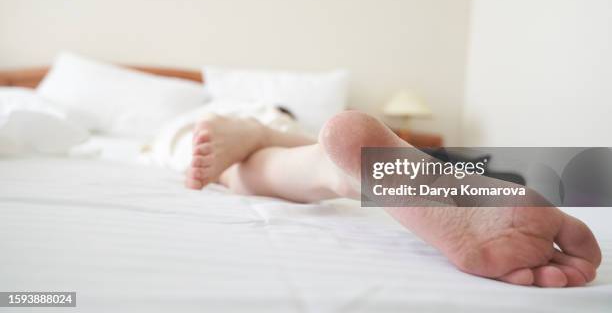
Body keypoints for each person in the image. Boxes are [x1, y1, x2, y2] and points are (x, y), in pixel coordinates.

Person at [185, 110, 602, 288]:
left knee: (239, 168)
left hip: (280, 130)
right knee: (302, 152)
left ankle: (331, 169)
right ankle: (336, 170)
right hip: (292, 134)